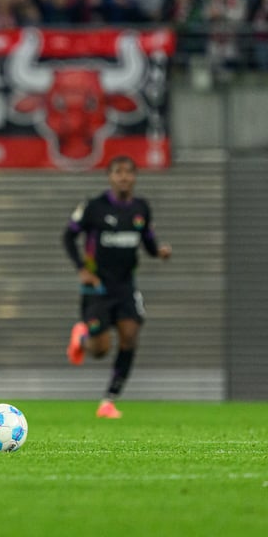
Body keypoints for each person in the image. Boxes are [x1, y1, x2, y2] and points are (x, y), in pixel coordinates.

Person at [63, 155, 171, 419]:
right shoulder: (94, 207)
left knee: (130, 336)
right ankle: (83, 336)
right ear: (109, 177)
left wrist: (158, 252)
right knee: (100, 351)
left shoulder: (141, 208)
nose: (123, 177)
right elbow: (68, 235)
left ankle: (109, 400)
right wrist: (81, 268)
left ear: (135, 177)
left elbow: (147, 239)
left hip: (125, 286)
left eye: (128, 172)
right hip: (97, 287)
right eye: (117, 172)